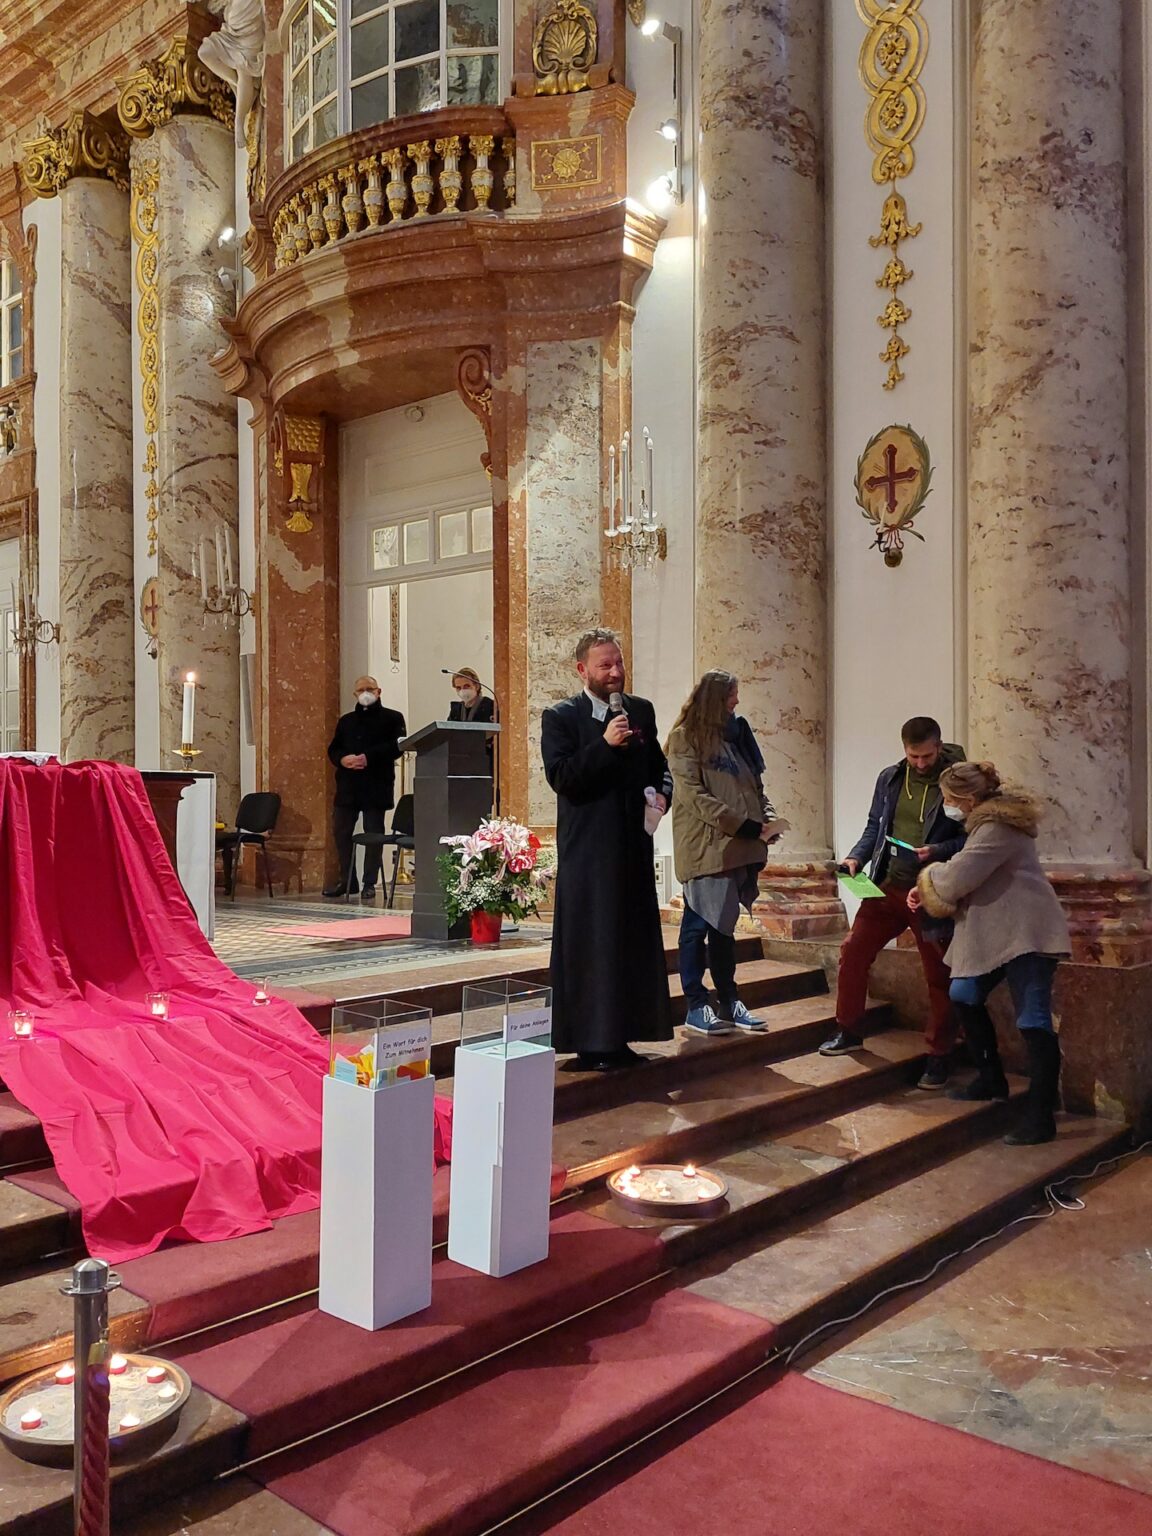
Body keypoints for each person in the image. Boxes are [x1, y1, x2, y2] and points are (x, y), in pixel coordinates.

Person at [910, 761, 1071, 1145]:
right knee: (963, 993)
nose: (947, 805)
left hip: (1027, 934)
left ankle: (1040, 1115)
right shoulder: (986, 824)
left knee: (1033, 1019)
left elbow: (957, 877)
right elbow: (965, 865)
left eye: (949, 798)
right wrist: (936, 881)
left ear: (966, 798)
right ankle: (990, 1077)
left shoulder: (998, 826)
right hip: (999, 933)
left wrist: (928, 880)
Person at [541, 627, 673, 1071]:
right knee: (593, 943)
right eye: (605, 665)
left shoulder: (641, 711)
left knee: (629, 941)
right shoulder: (561, 717)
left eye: (618, 662)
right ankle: (591, 1043)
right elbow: (562, 778)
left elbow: (658, 764)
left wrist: (663, 794)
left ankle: (624, 1037)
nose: (616, 671)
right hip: (589, 853)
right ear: (583, 670)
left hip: (632, 848)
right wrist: (604, 745)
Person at [820, 717, 966, 1090]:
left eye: (927, 755)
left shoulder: (957, 780)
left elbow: (969, 838)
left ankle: (939, 1054)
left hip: (930, 888)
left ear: (939, 746)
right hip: (887, 884)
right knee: (853, 951)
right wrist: (856, 858)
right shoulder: (889, 778)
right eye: (913, 756)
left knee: (938, 972)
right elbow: (875, 826)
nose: (920, 763)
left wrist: (934, 850)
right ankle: (848, 1029)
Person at [666, 670, 780, 1036]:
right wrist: (742, 825)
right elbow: (694, 796)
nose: (736, 701)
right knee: (698, 925)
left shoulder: (734, 737)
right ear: (714, 698)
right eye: (732, 695)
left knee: (724, 929)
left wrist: (767, 822)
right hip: (705, 848)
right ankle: (696, 1005)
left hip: (739, 847)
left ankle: (730, 1001)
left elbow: (753, 788)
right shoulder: (684, 739)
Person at [323, 676, 406, 901]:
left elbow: (397, 746)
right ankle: (348, 881)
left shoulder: (393, 718)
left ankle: (370, 882)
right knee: (340, 832)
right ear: (355, 695)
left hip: (376, 786)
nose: (366, 693)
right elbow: (334, 749)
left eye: (370, 689)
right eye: (361, 690)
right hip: (348, 786)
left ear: (379, 691)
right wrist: (343, 760)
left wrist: (368, 757)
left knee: (373, 835)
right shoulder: (346, 721)